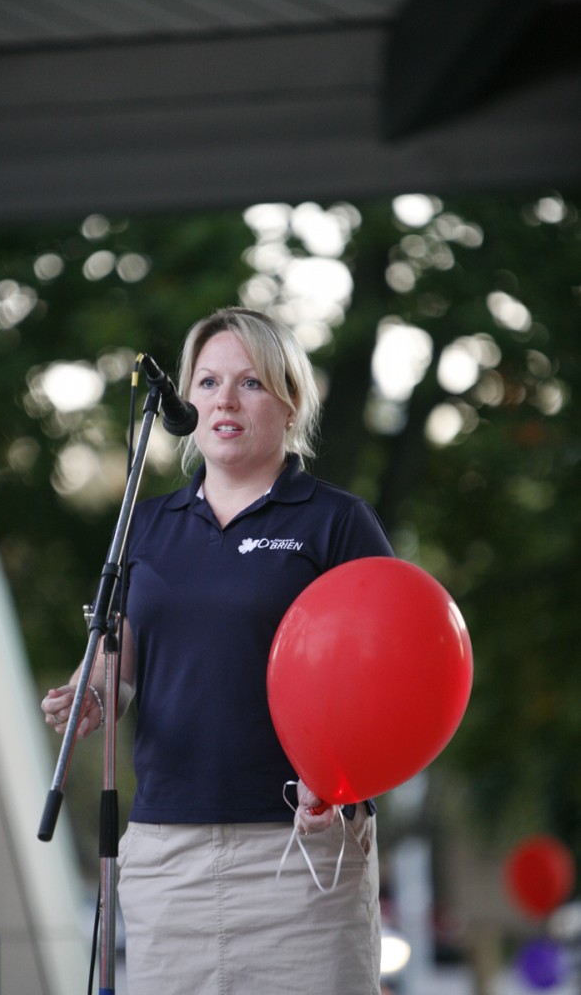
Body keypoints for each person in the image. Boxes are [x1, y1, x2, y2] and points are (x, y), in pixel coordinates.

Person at [42, 307, 394, 994]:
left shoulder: (336, 521)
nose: (224, 401)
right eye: (205, 383)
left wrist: (342, 777)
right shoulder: (144, 527)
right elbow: (124, 663)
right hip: (167, 857)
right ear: (183, 403)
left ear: (289, 403)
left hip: (301, 854)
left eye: (249, 383)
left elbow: (388, 675)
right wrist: (92, 692)